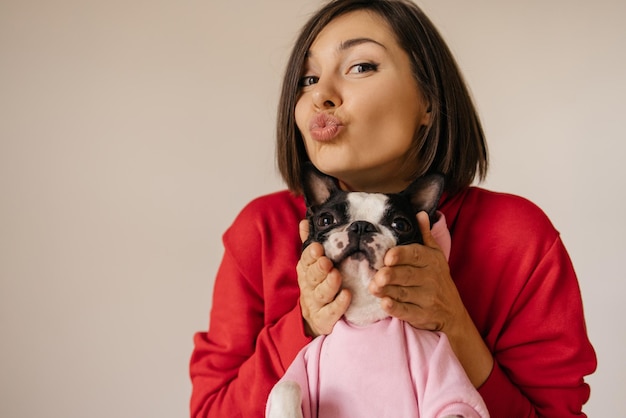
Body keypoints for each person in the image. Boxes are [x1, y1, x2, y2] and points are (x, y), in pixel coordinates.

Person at [189, 0, 597, 417]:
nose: (320, 96)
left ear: (429, 102)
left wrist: (452, 322)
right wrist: (306, 323)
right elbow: (209, 411)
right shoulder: (262, 230)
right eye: (308, 78)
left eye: (361, 66)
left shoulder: (514, 236)